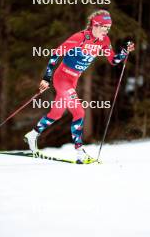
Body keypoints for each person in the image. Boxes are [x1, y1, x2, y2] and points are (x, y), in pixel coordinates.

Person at [24, 9, 135, 164]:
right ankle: (79, 153)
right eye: (104, 27)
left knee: (56, 114)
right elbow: (56, 53)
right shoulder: (80, 37)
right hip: (62, 78)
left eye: (108, 28)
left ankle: (32, 135)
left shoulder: (104, 41)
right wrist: (47, 78)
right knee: (79, 111)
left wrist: (123, 52)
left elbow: (113, 60)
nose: (106, 31)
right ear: (95, 25)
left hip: (73, 80)